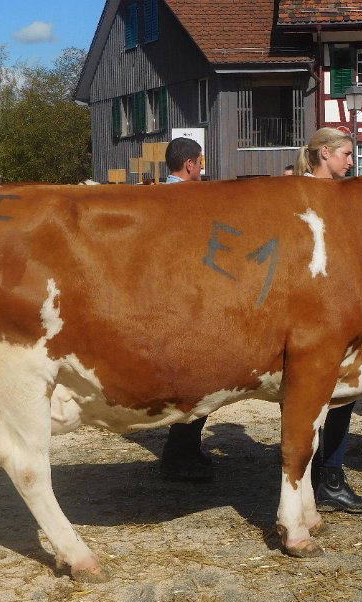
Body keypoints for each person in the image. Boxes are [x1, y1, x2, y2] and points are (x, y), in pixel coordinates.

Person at [296, 127, 362, 513]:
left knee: (341, 396)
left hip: (340, 305)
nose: (351, 160)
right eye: (346, 153)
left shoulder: (350, 195)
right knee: (310, 399)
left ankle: (330, 475)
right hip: (311, 308)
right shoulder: (298, 192)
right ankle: (316, 479)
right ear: (324, 153)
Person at [159, 137, 212, 481]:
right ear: (190, 164)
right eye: (200, 163)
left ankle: (186, 451)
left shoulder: (154, 195)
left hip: (169, 293)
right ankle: (178, 457)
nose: (202, 169)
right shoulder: (188, 198)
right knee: (195, 382)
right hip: (185, 296)